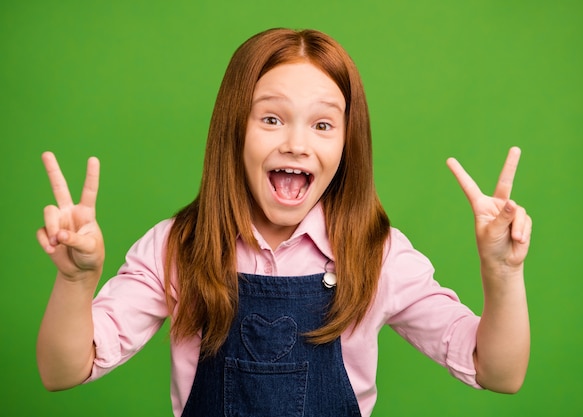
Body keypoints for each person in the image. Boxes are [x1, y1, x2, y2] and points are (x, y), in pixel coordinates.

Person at [36, 28, 531, 417]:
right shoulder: (178, 247)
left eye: (322, 124)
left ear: (346, 144)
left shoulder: (377, 253)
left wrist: (503, 273)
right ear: (234, 129)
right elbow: (63, 370)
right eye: (271, 118)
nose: (297, 143)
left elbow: (499, 372)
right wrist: (75, 280)